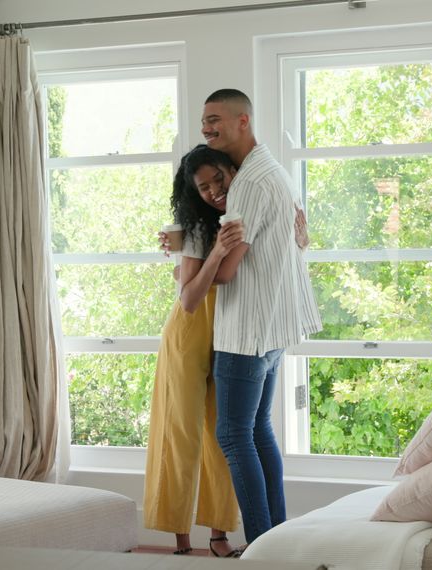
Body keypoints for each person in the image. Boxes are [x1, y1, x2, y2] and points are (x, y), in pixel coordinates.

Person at [200, 88, 323, 548]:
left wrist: (198, 261)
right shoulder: (275, 171)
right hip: (272, 328)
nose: (207, 128)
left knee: (233, 435)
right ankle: (278, 543)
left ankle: (261, 548)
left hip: (246, 329)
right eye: (203, 122)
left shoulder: (249, 183)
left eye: (215, 119)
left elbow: (228, 271)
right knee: (256, 430)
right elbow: (294, 237)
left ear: (242, 120)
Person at [143, 145, 246, 558]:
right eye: (202, 186)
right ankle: (181, 542)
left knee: (223, 438)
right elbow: (189, 299)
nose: (213, 191)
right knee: (178, 434)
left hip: (228, 333)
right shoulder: (199, 229)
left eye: (218, 179)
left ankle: (219, 536)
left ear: (232, 171)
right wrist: (215, 251)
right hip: (188, 334)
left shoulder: (244, 215)